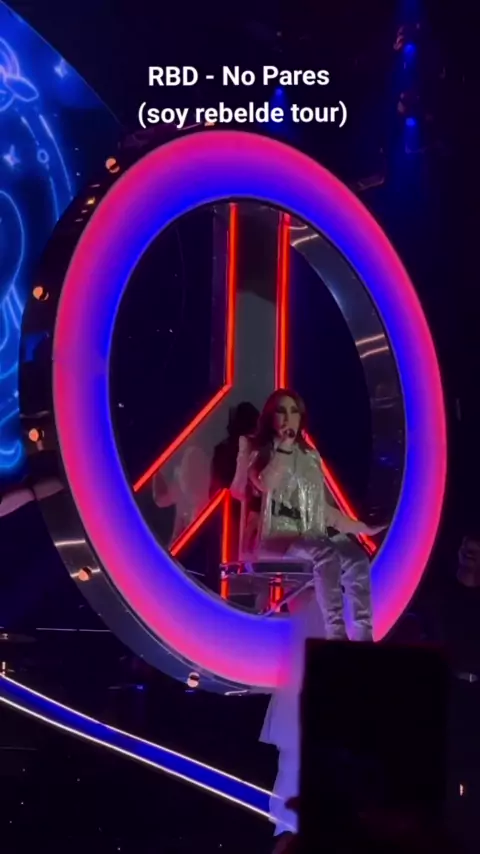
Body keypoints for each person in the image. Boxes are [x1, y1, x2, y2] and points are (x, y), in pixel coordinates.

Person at [230, 388, 386, 842]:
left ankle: (362, 638)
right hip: (275, 539)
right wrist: (280, 448)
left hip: (310, 535)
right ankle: (336, 635)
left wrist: (359, 527)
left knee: (353, 556)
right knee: (325, 554)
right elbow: (261, 485)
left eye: (294, 411)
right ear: (271, 417)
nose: (288, 418)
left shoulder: (309, 455)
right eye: (281, 411)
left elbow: (324, 511)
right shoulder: (261, 450)